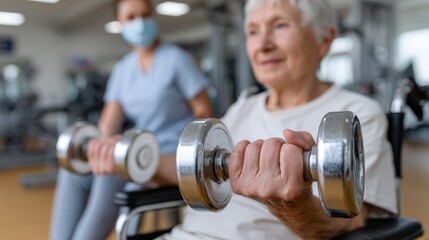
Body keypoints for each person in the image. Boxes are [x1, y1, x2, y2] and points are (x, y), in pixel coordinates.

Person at [159, 0, 397, 239]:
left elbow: (350, 226)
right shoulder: (242, 108)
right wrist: (138, 161)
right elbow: (193, 166)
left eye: (280, 25)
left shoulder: (357, 113)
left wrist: (296, 205)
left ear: (324, 40)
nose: (263, 45)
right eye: (253, 31)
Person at [49, 0, 212, 239]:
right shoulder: (123, 70)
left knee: (111, 169)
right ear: (120, 24)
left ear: (153, 16)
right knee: (73, 171)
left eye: (145, 15)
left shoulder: (176, 59)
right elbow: (107, 125)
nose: (140, 22)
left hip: (171, 154)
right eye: (132, 17)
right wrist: (93, 149)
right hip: (136, 150)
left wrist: (192, 152)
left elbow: (204, 113)